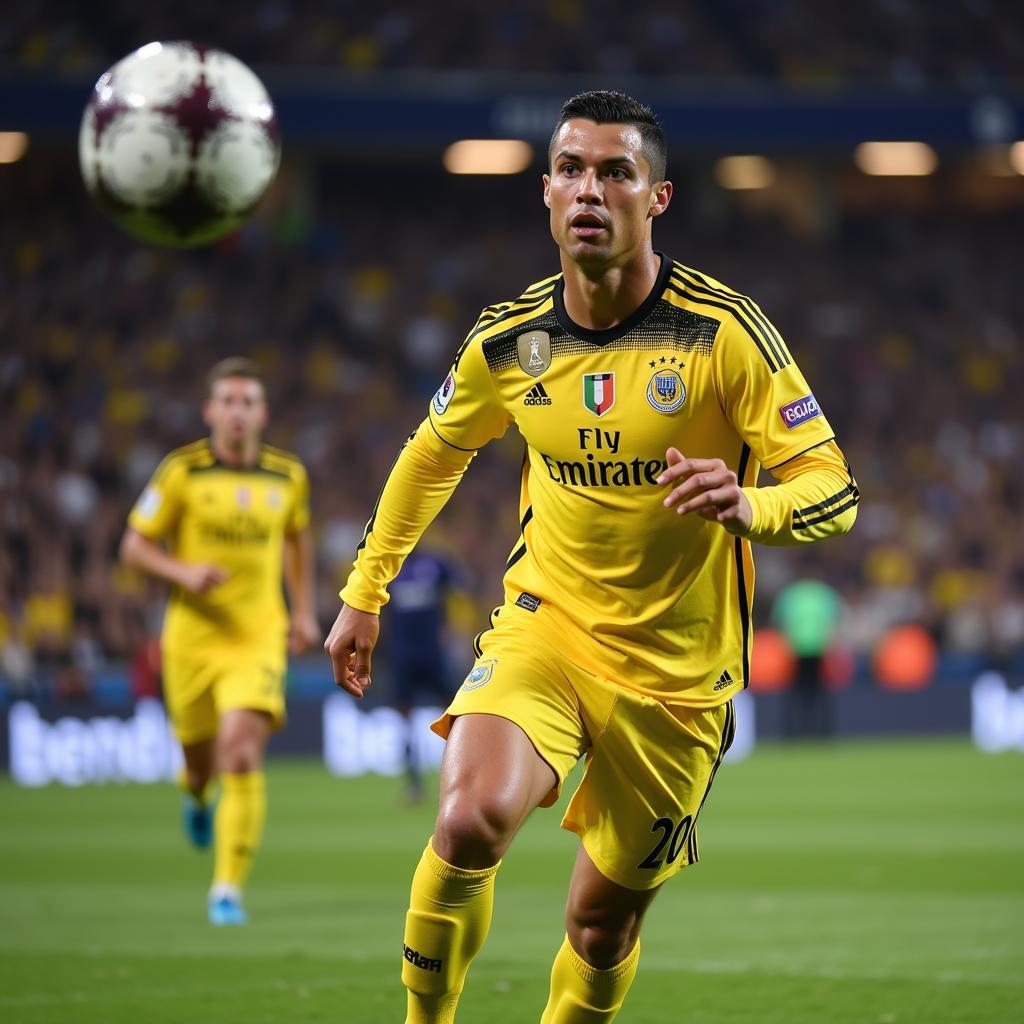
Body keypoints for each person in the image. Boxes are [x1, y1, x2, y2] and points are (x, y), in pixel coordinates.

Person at [325, 90, 859, 1023]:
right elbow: (431, 453)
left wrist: (751, 504)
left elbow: (835, 489)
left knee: (600, 932)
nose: (589, 189)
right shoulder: (510, 339)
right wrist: (363, 592)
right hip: (548, 631)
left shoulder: (723, 334)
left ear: (657, 199)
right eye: (572, 168)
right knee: (465, 820)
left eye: (616, 172)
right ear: (543, 192)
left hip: (678, 681)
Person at [121, 356, 318, 926]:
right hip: (190, 640)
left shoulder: (288, 476)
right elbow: (134, 546)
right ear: (210, 410)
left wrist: (302, 610)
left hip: (257, 635)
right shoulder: (180, 472)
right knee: (200, 759)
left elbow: (298, 541)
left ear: (263, 413)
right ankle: (195, 794)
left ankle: (226, 889)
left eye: (248, 402)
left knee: (239, 749)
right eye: (228, 401)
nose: (237, 412)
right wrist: (183, 573)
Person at [385, 546, 459, 802]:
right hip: (402, 653)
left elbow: (460, 587)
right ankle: (414, 782)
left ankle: (461, 775)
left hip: (432, 652)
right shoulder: (390, 566)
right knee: (403, 716)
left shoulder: (436, 564)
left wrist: (449, 628)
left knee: (453, 712)